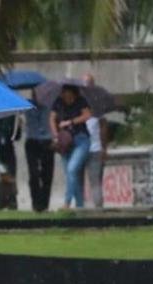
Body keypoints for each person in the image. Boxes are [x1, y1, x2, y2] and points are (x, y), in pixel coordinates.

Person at [50, 84, 92, 209]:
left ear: (74, 93)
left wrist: (71, 121)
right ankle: (80, 205)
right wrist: (55, 134)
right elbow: (52, 118)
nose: (66, 97)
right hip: (65, 141)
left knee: (72, 169)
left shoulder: (81, 101)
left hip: (81, 139)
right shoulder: (58, 102)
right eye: (64, 94)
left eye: (69, 94)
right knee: (71, 174)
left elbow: (87, 115)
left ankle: (67, 202)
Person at [24, 90, 54, 212]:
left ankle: (45, 204)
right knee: (34, 173)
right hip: (32, 140)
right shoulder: (27, 106)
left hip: (47, 141)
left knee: (47, 174)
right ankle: (36, 204)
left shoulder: (49, 107)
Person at [82, 74, 109, 208]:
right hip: (80, 147)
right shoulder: (78, 104)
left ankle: (98, 207)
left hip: (95, 148)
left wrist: (104, 148)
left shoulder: (97, 106)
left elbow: (103, 127)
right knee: (79, 179)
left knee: (95, 180)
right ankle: (81, 205)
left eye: (89, 84)